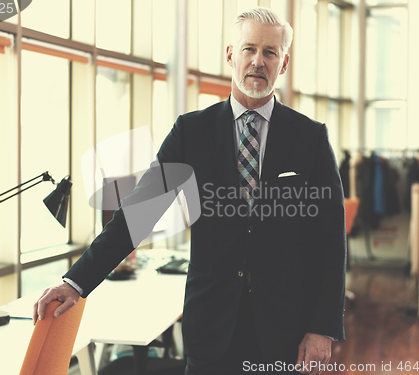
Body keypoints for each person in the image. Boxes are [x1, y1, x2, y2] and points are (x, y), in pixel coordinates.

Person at [33, 7, 346, 375]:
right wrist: (75, 282)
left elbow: (330, 242)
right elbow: (138, 215)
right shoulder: (191, 132)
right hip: (211, 330)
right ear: (231, 54)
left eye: (270, 52)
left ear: (284, 62)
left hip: (284, 332)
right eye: (249, 49)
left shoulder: (309, 138)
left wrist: (322, 328)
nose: (258, 61)